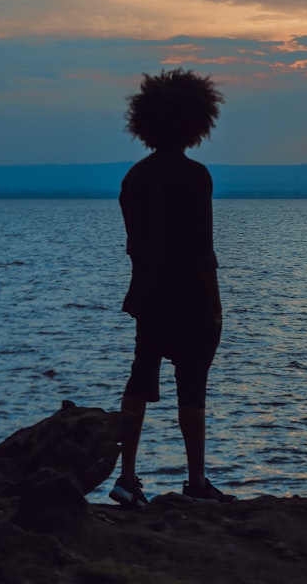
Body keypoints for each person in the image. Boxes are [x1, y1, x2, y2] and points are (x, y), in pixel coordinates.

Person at [108, 69, 234, 507]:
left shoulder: (133, 178)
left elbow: (134, 247)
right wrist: (216, 306)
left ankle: (126, 477)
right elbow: (203, 249)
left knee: (140, 380)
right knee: (192, 385)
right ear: (196, 122)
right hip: (191, 297)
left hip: (147, 296)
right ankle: (196, 481)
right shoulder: (196, 176)